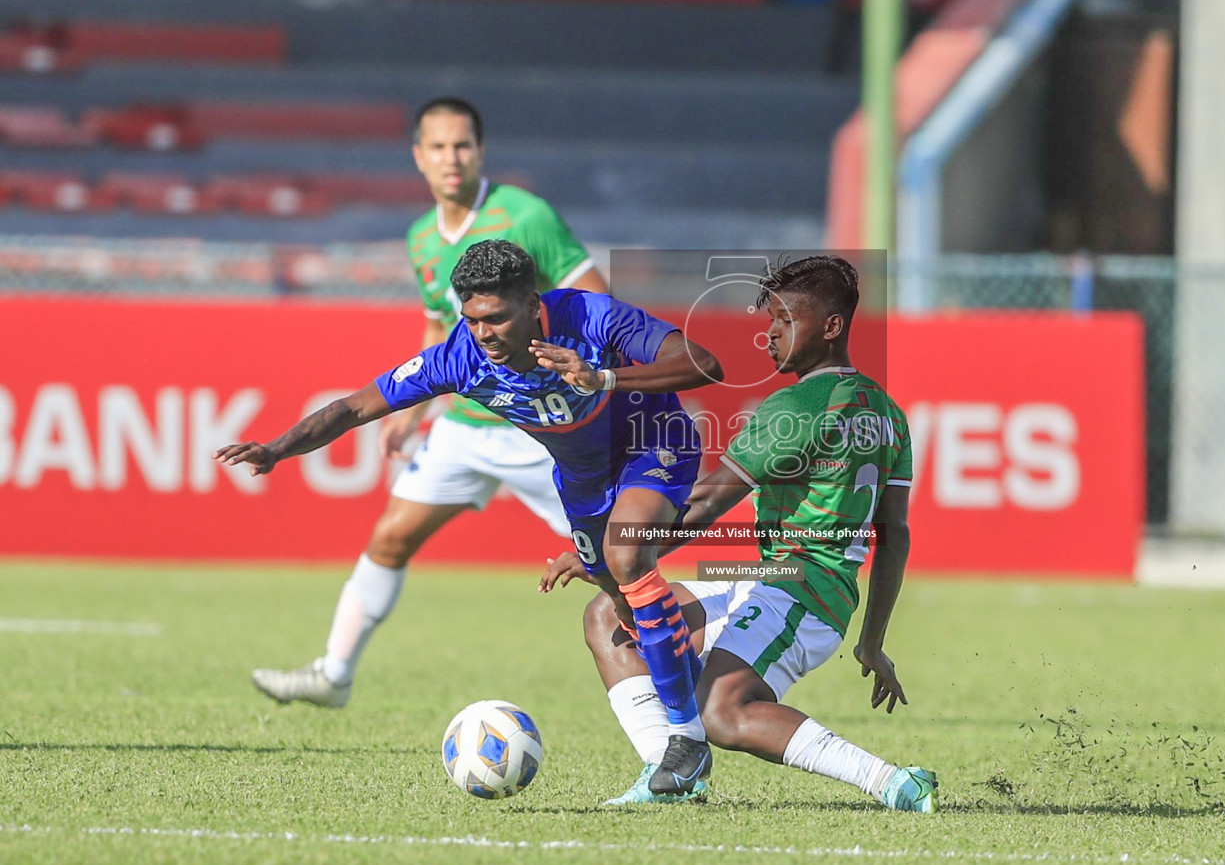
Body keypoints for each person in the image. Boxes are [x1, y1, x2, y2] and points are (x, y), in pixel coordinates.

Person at [217, 240, 724, 797]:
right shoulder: (460, 356)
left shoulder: (592, 316)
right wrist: (277, 449)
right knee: (618, 603)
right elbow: (356, 406)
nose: (485, 333)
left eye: (497, 318)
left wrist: (601, 379)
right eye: (473, 319)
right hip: (581, 479)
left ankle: (686, 740)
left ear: (533, 304)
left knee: (625, 556)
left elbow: (705, 362)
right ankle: (695, 706)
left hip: (654, 445)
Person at [543, 255, 937, 812]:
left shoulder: (797, 405)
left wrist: (610, 558)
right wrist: (872, 640)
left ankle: (891, 780)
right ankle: (671, 775)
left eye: (784, 322)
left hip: (801, 587)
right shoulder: (889, 413)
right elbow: (894, 536)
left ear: (831, 327)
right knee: (610, 617)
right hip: (769, 576)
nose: (769, 336)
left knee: (720, 712)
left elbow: (704, 503)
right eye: (768, 321)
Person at [251, 97, 608, 708]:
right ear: (418, 156)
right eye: (438, 147)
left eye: (462, 145)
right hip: (464, 427)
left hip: (540, 430)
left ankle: (690, 656)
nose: (452, 158)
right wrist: (414, 414)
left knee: (615, 563)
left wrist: (577, 378)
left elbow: (595, 303)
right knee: (390, 537)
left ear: (480, 150)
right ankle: (334, 675)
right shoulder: (421, 237)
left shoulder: (526, 215)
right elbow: (436, 329)